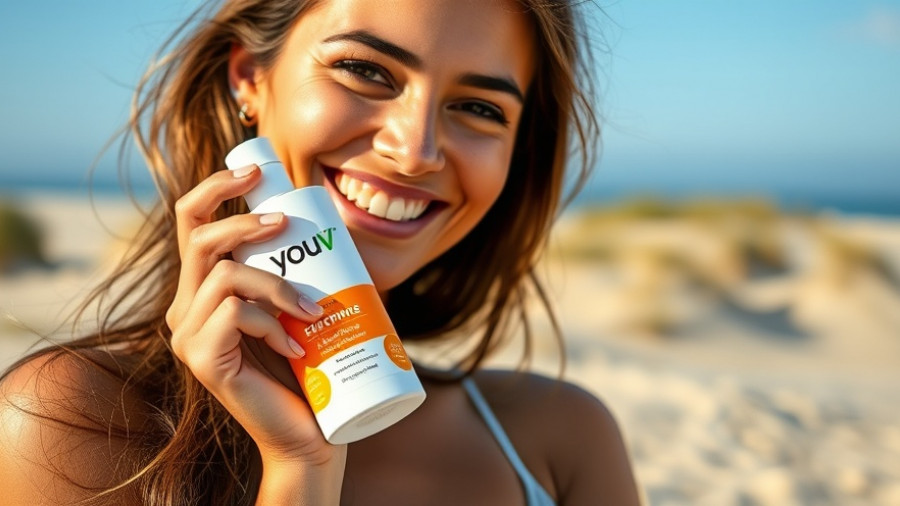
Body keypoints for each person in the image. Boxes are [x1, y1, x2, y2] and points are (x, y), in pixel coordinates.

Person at [0, 0, 641, 504]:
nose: (415, 151)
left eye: (478, 107)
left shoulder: (563, 437)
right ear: (249, 78)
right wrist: (301, 469)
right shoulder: (72, 423)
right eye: (365, 70)